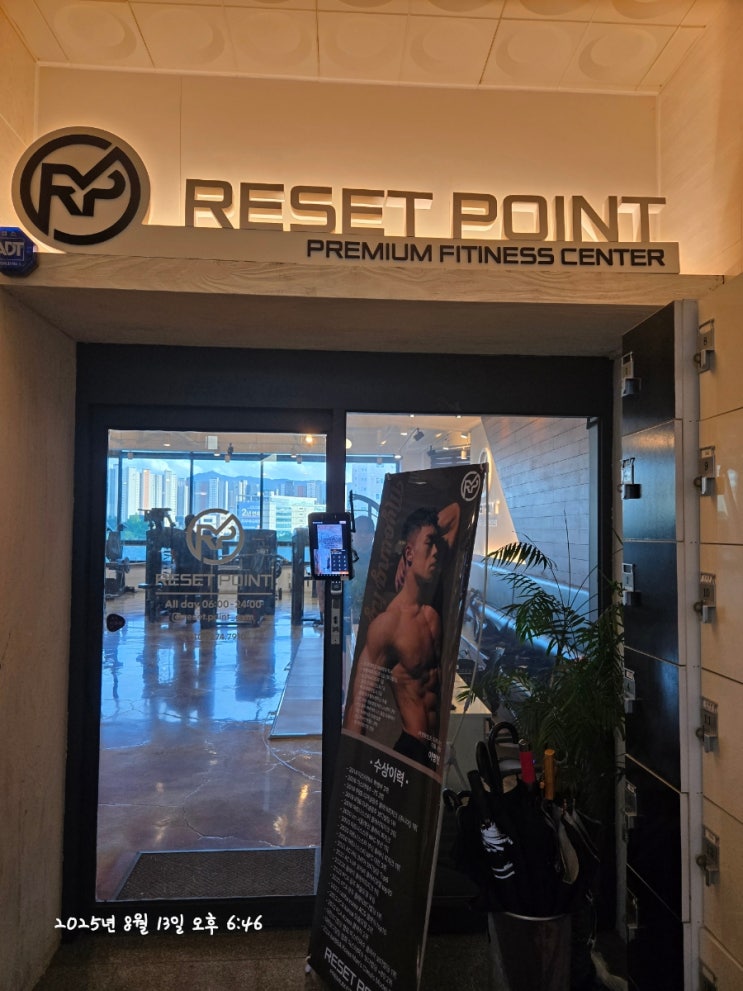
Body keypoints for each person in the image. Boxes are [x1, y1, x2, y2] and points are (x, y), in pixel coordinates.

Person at [344, 501, 460, 771]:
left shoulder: (433, 607)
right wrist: (350, 771)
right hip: (412, 748)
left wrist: (422, 540)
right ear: (409, 553)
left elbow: (455, 511)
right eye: (429, 544)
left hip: (436, 745)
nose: (436, 553)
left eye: (437, 544)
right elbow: (359, 702)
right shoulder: (389, 624)